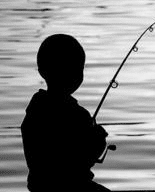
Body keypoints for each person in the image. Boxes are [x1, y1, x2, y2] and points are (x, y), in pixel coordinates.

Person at [21, 34, 110, 192]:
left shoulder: (35, 109)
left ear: (42, 70)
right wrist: (98, 143)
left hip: (39, 188)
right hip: (74, 188)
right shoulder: (78, 115)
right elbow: (81, 161)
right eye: (78, 68)